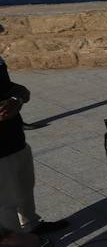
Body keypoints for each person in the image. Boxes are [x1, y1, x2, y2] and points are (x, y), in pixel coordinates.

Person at [0, 56, 69, 236]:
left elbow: (17, 89)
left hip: (14, 137)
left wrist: (17, 99)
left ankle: (32, 226)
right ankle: (15, 246)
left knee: (25, 186)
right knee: (5, 202)